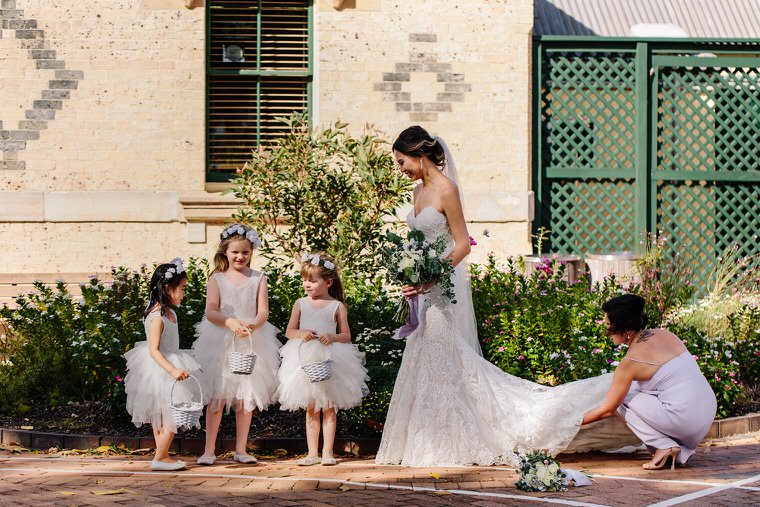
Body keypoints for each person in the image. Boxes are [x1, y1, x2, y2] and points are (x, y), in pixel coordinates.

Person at [376, 126, 633, 467]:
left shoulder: (446, 190)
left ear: (419, 156)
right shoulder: (417, 191)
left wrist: (430, 276)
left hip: (441, 291)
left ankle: (454, 439)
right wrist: (411, 275)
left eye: (401, 161)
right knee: (424, 356)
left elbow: (463, 243)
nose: (400, 169)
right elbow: (420, 245)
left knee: (443, 356)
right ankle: (426, 438)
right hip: (424, 292)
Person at [582, 294, 717, 470]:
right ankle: (672, 447)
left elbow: (608, 409)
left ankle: (663, 445)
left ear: (625, 327)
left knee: (620, 399)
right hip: (707, 411)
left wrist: (573, 423)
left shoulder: (630, 363)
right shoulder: (665, 335)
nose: (606, 331)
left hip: (685, 418)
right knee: (633, 389)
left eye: (609, 325)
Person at [192, 224, 282, 465]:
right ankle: (209, 449)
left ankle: (241, 449)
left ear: (251, 252)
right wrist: (230, 322)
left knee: (245, 398)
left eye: (245, 252)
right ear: (225, 253)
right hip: (221, 340)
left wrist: (252, 325)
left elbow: (263, 311)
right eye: (235, 252)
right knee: (217, 397)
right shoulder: (217, 279)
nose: (240, 257)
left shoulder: (258, 278)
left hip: (251, 341)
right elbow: (211, 311)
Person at [276, 253, 368, 466]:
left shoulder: (336, 306)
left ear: (328, 282)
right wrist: (301, 333)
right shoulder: (300, 303)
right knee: (311, 407)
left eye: (312, 280)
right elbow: (289, 331)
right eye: (305, 280)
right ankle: (311, 453)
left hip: (330, 358)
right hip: (305, 359)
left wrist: (332, 337)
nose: (307, 284)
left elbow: (347, 336)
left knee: (328, 406)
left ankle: (327, 453)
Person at [124, 259, 200, 471]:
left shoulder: (171, 313)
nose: (184, 293)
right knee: (174, 412)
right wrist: (173, 369)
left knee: (163, 413)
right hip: (162, 366)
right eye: (182, 288)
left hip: (172, 359)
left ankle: (163, 455)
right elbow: (154, 349)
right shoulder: (156, 316)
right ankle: (159, 458)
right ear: (168, 288)